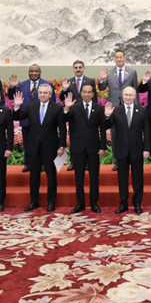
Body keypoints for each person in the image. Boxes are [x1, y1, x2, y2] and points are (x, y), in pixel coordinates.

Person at [13, 85, 66, 212]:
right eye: (40, 92)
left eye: (45, 93)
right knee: (34, 176)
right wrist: (17, 107)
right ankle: (34, 201)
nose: (42, 95)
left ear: (50, 94)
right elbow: (17, 117)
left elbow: (62, 128)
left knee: (51, 175)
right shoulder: (31, 107)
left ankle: (51, 202)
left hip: (50, 147)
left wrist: (62, 145)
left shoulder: (57, 107)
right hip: (34, 147)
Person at [102, 87, 150, 214]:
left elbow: (147, 131)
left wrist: (146, 148)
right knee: (122, 179)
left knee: (138, 178)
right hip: (121, 149)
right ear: (122, 96)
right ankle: (123, 203)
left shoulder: (142, 111)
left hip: (137, 149)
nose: (128, 97)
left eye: (130, 95)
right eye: (126, 95)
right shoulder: (116, 110)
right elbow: (106, 126)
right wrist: (107, 116)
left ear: (135, 97)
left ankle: (137, 203)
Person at [62, 83, 107, 213]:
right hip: (78, 148)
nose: (86, 94)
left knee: (94, 177)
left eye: (89, 92)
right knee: (79, 177)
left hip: (93, 147)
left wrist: (103, 146)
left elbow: (102, 129)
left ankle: (94, 203)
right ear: (81, 93)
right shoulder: (74, 107)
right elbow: (64, 119)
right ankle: (80, 204)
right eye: (84, 92)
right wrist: (66, 108)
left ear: (93, 94)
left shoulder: (99, 108)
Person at [8, 64, 55, 172]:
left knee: (43, 143)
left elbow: (52, 102)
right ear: (28, 72)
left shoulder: (47, 85)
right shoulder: (21, 85)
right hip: (26, 120)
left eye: (36, 71)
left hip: (43, 121)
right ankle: (28, 164)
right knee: (28, 143)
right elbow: (12, 97)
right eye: (31, 71)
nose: (34, 73)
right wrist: (12, 87)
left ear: (40, 72)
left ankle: (43, 164)